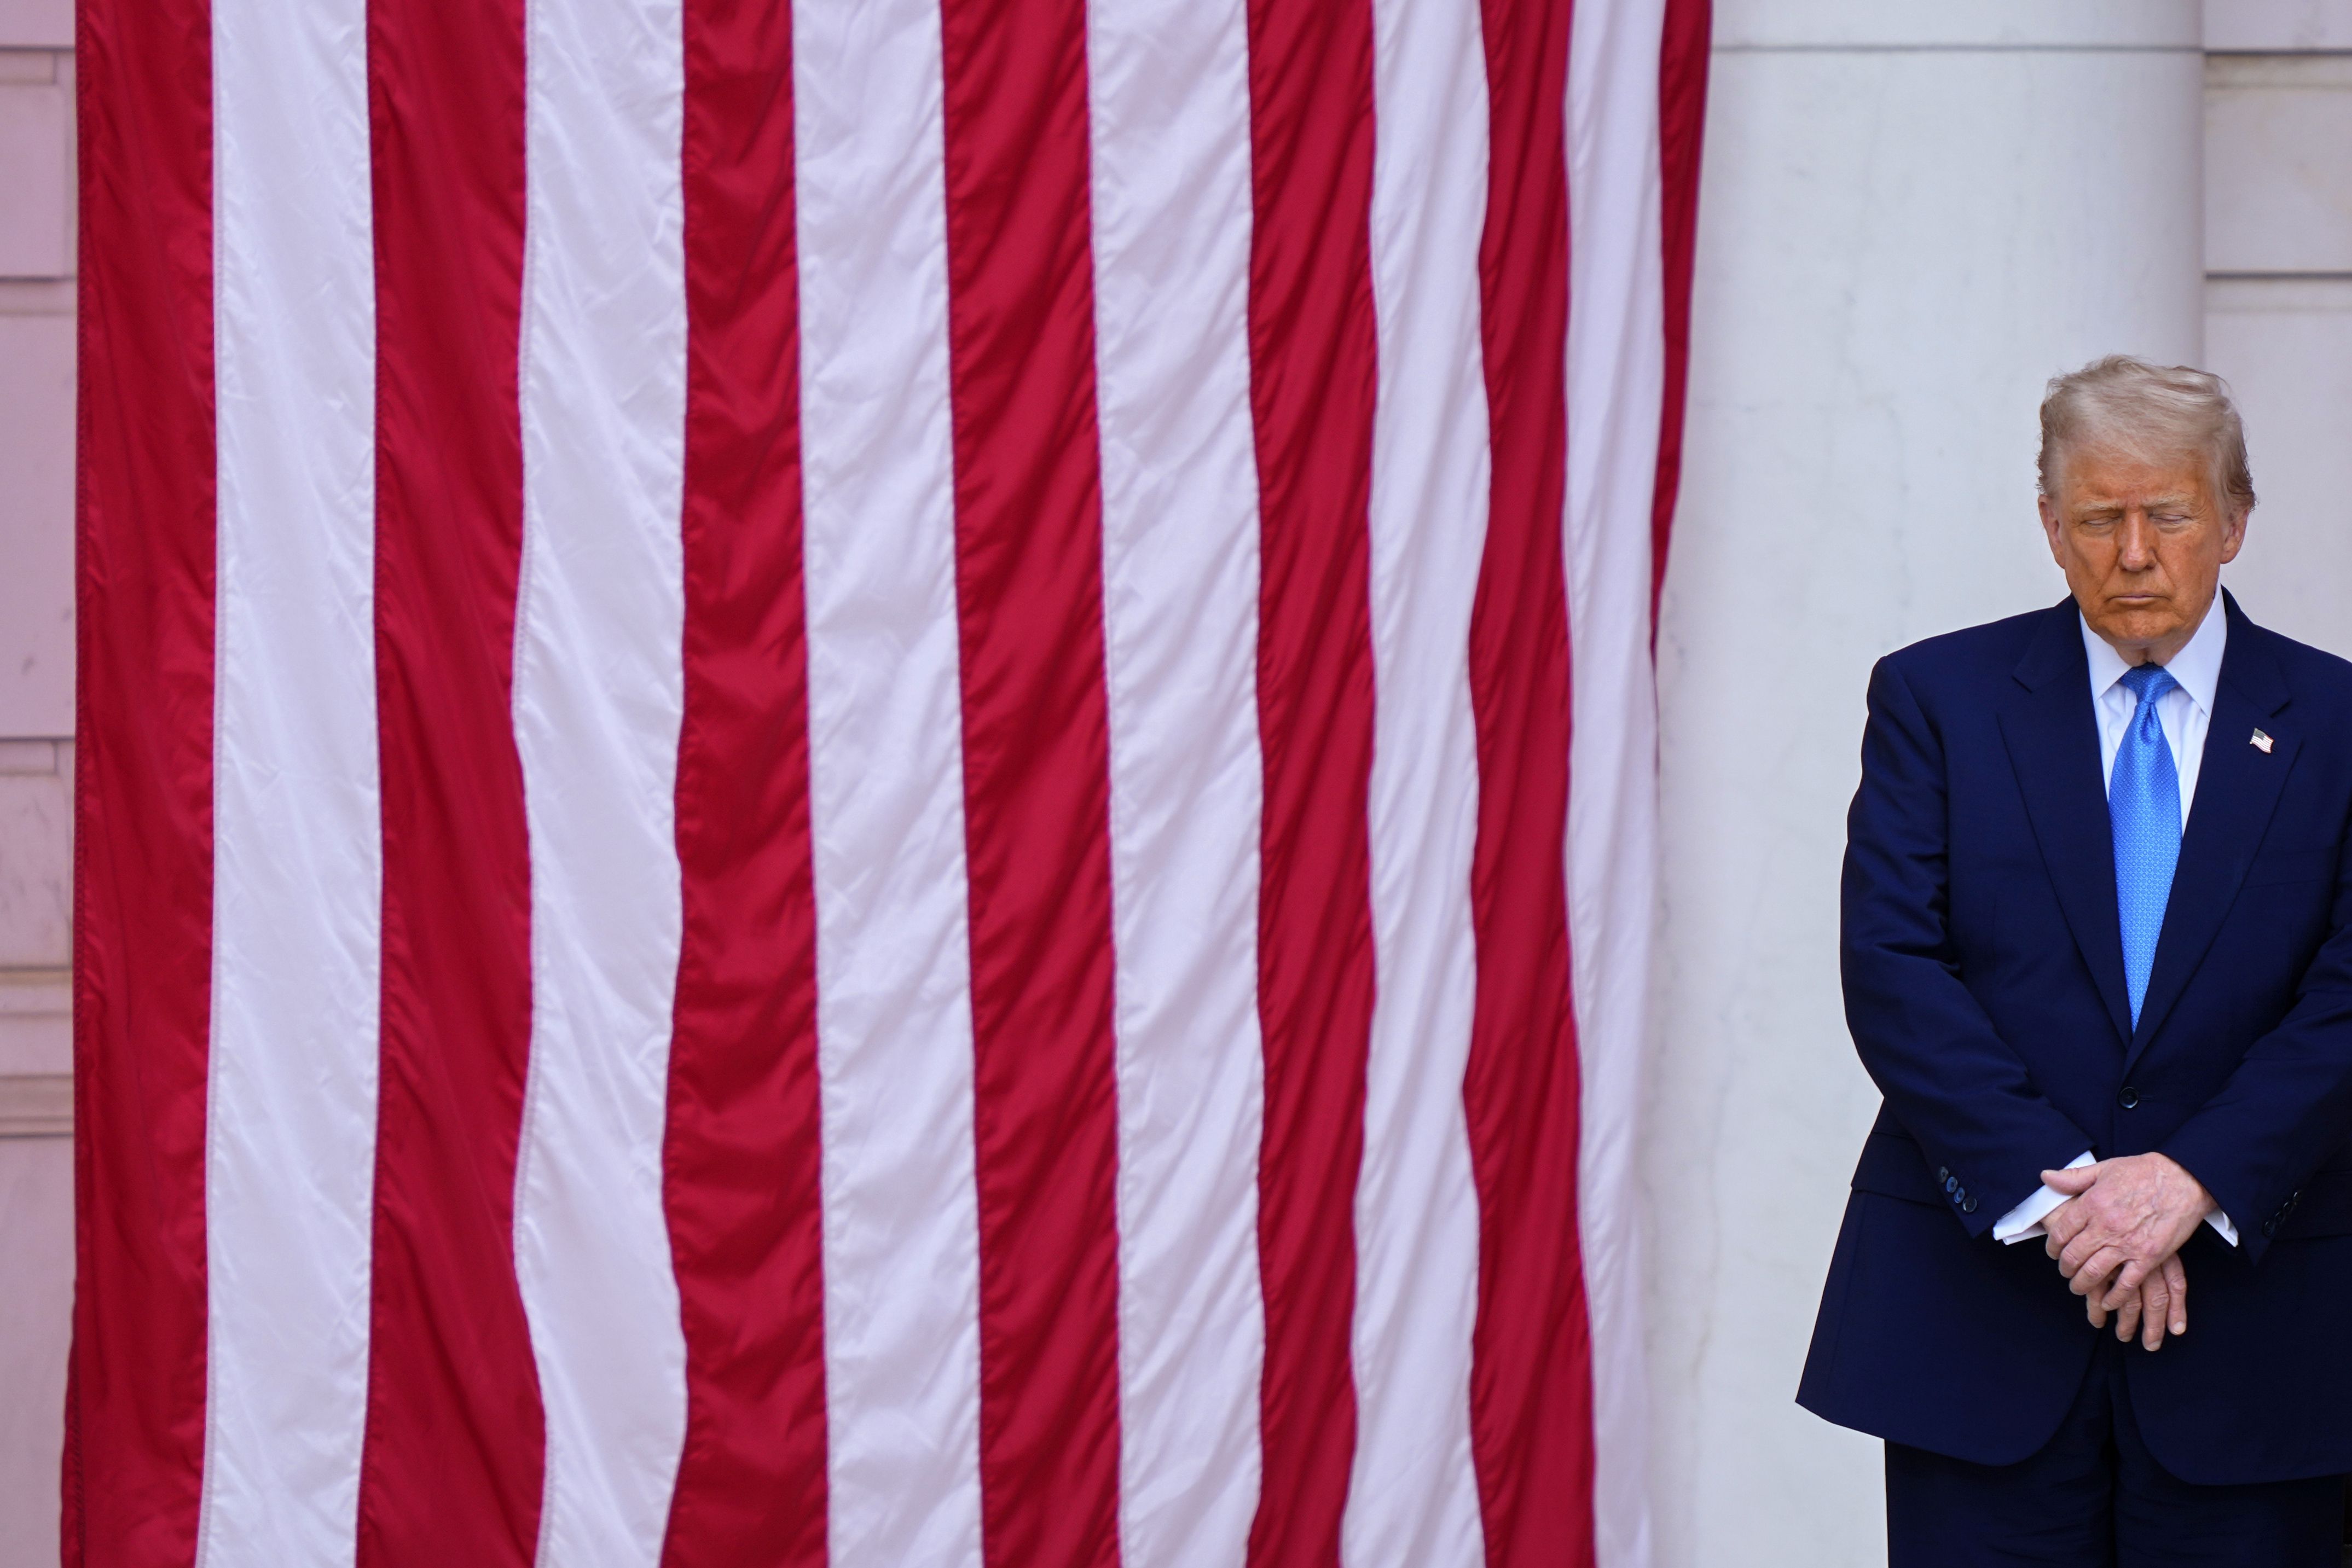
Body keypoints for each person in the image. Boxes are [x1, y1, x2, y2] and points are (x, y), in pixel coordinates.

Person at [1797, 356, 2352, 1565]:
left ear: (2235, 521)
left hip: (2263, 1335)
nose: (2134, 551)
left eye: (2169, 514)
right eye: (2099, 517)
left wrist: (2190, 1179)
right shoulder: (1935, 699)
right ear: (2051, 527)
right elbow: (1893, 964)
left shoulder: (2340, 721)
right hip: (1979, 1327)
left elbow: (2346, 997)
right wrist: (2072, 1207)